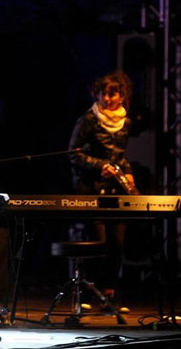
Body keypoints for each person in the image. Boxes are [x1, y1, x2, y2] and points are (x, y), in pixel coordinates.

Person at [68, 70, 137, 310]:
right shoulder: (88, 119)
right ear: (96, 95)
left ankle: (109, 295)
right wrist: (99, 167)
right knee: (98, 241)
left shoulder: (125, 122)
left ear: (121, 96)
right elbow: (74, 154)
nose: (108, 99)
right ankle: (88, 293)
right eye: (103, 94)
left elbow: (120, 155)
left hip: (116, 189)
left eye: (112, 94)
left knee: (117, 243)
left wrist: (126, 171)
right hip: (91, 188)